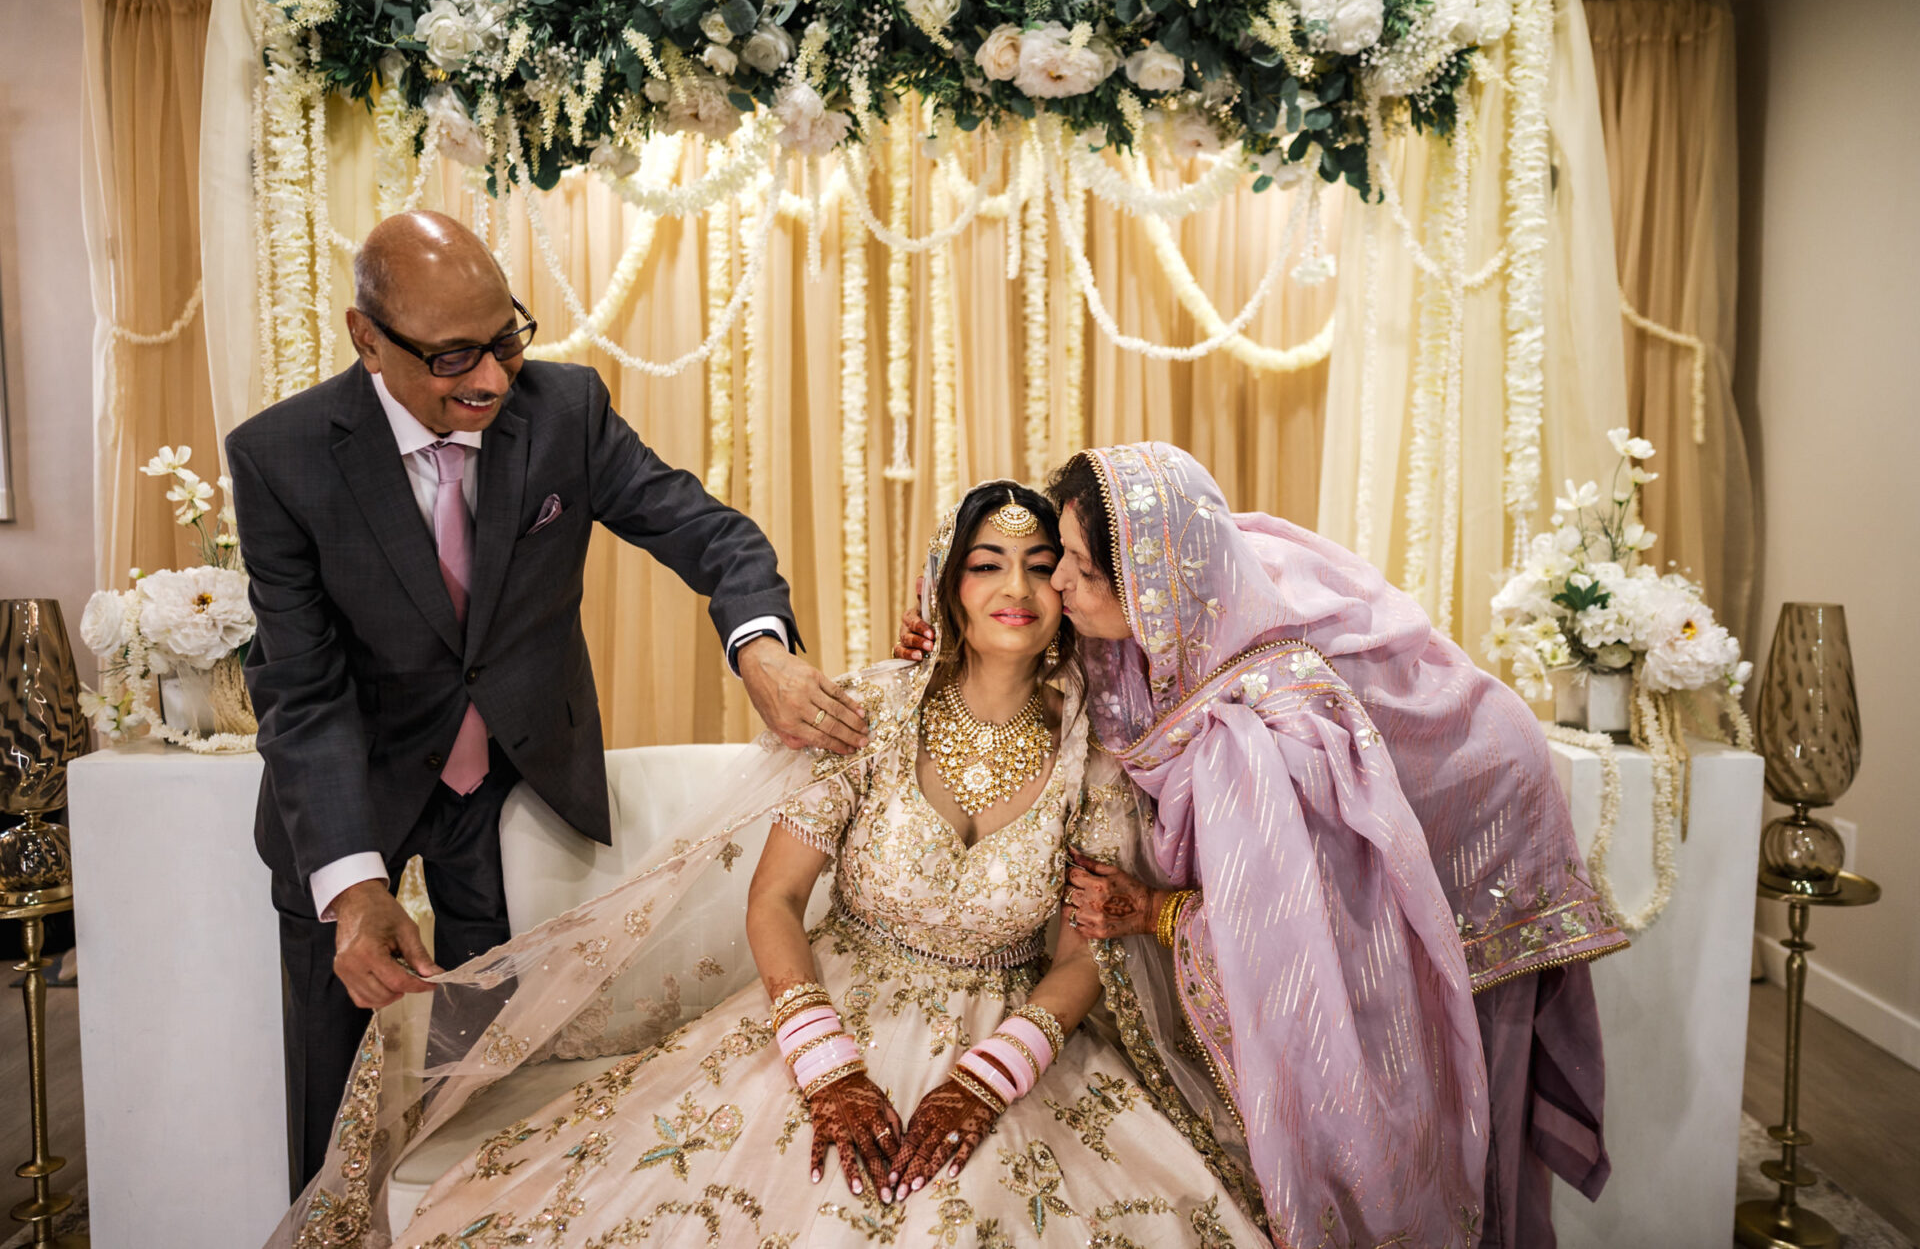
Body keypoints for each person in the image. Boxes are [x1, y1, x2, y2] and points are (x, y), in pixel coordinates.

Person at [269, 481, 1287, 1247]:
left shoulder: (1095, 753)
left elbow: (1082, 953)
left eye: (1037, 566)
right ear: (946, 579)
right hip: (827, 1017)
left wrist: (988, 1079)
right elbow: (777, 901)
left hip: (1013, 1035)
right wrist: (826, 1064)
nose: (1014, 588)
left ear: (1070, 589)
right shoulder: (872, 710)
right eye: (985, 563)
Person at [227, 210, 866, 1193]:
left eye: (506, 338)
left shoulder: (562, 409)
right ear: (366, 339)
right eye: (451, 358)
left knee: (485, 1085)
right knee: (333, 1097)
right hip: (352, 799)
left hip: (510, 790)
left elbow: (712, 536)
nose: (489, 379)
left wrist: (761, 650)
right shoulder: (283, 457)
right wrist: (354, 890)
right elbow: (302, 691)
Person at [898, 443, 1629, 1248]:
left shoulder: (1248, 734)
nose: (1055, 583)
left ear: (1142, 581)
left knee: (1460, 1112)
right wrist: (943, 643)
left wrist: (1157, 912)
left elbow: (1293, 937)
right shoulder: (1196, 583)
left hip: (1475, 822)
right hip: (1433, 797)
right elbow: (1037, 646)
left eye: (1073, 565)